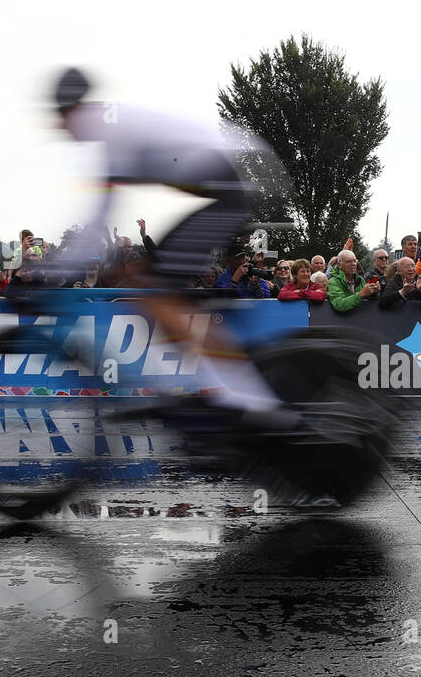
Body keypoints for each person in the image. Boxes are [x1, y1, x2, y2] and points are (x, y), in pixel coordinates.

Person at [51, 67, 289, 418]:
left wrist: (53, 269)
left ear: (71, 110)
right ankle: (217, 383)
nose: (59, 128)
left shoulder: (107, 129)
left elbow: (101, 213)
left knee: (157, 291)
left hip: (228, 188)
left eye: (59, 118)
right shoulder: (112, 122)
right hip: (226, 183)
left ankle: (249, 399)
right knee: (144, 280)